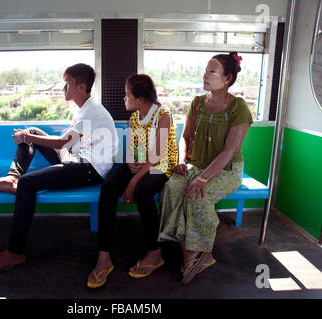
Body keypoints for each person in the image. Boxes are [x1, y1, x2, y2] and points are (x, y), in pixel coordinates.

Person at [0, 63, 117, 277]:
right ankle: (12, 177)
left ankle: (15, 252)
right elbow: (66, 143)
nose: (63, 89)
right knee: (34, 131)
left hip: (90, 169)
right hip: (77, 159)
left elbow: (61, 142)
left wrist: (26, 138)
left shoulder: (92, 111)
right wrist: (30, 135)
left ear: (82, 87)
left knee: (28, 183)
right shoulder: (83, 109)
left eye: (67, 84)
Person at [158, 52, 253, 285]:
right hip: (197, 164)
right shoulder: (197, 103)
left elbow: (229, 150)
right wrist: (181, 160)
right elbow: (185, 136)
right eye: (206, 70)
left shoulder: (239, 107)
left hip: (227, 169)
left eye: (212, 71)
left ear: (228, 78)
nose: (206, 75)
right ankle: (196, 254)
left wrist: (202, 179)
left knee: (198, 196)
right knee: (172, 187)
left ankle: (195, 254)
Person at [87, 74, 178, 288]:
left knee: (142, 192)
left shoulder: (163, 116)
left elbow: (156, 156)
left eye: (128, 95)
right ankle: (104, 257)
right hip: (141, 163)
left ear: (141, 98)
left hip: (161, 165)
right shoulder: (135, 117)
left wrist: (132, 183)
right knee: (108, 188)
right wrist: (129, 162)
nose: (124, 98)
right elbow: (131, 147)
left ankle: (155, 253)